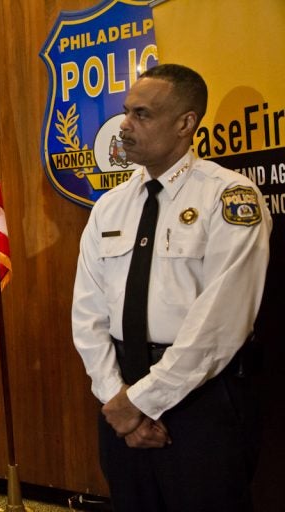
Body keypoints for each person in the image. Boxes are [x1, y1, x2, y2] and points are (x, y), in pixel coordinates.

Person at [71, 63, 271, 511]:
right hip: (119, 389)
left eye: (141, 114)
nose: (124, 125)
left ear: (185, 123)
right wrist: (117, 399)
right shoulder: (109, 207)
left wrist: (144, 401)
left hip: (202, 400)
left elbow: (221, 322)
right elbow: (87, 314)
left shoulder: (229, 197)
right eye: (125, 112)